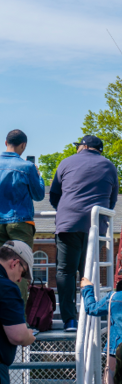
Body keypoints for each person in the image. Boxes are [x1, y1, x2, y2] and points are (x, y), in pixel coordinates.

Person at [50, 135, 118, 332]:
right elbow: (111, 201)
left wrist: (66, 210)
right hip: (95, 226)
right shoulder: (110, 166)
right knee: (88, 272)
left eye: (78, 145)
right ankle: (89, 316)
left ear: (85, 146)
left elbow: (54, 194)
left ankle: (69, 320)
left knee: (65, 271)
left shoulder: (66, 162)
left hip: (68, 223)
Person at [0, 129, 45, 304]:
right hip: (20, 222)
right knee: (20, 268)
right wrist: (38, 176)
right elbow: (39, 194)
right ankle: (19, 320)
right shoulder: (27, 167)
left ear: (5, 143)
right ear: (23, 145)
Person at [0, 241, 36, 384]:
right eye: (23, 271)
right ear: (14, 263)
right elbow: (18, 336)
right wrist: (30, 336)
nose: (20, 279)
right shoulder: (6, 287)